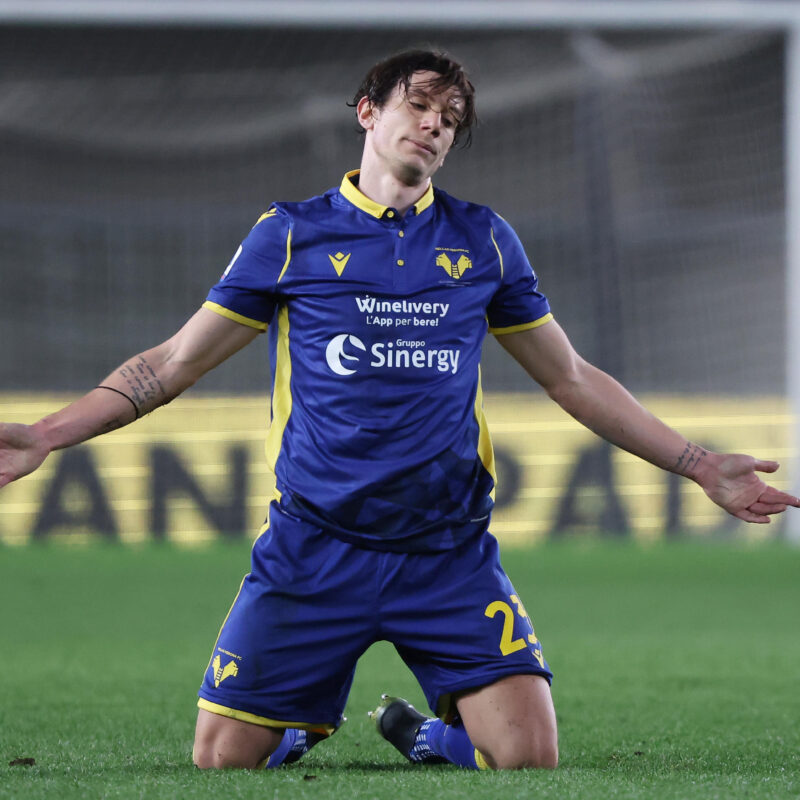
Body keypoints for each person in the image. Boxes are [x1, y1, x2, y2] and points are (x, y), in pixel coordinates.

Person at [0, 49, 797, 773]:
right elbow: (169, 365)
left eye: (450, 121)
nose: (435, 127)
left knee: (528, 758)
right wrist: (44, 435)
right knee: (221, 761)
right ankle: (300, 721)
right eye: (421, 106)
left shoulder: (482, 241)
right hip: (314, 547)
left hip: (445, 552)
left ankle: (425, 736)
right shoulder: (290, 235)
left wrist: (696, 465)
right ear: (367, 110)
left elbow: (573, 378)